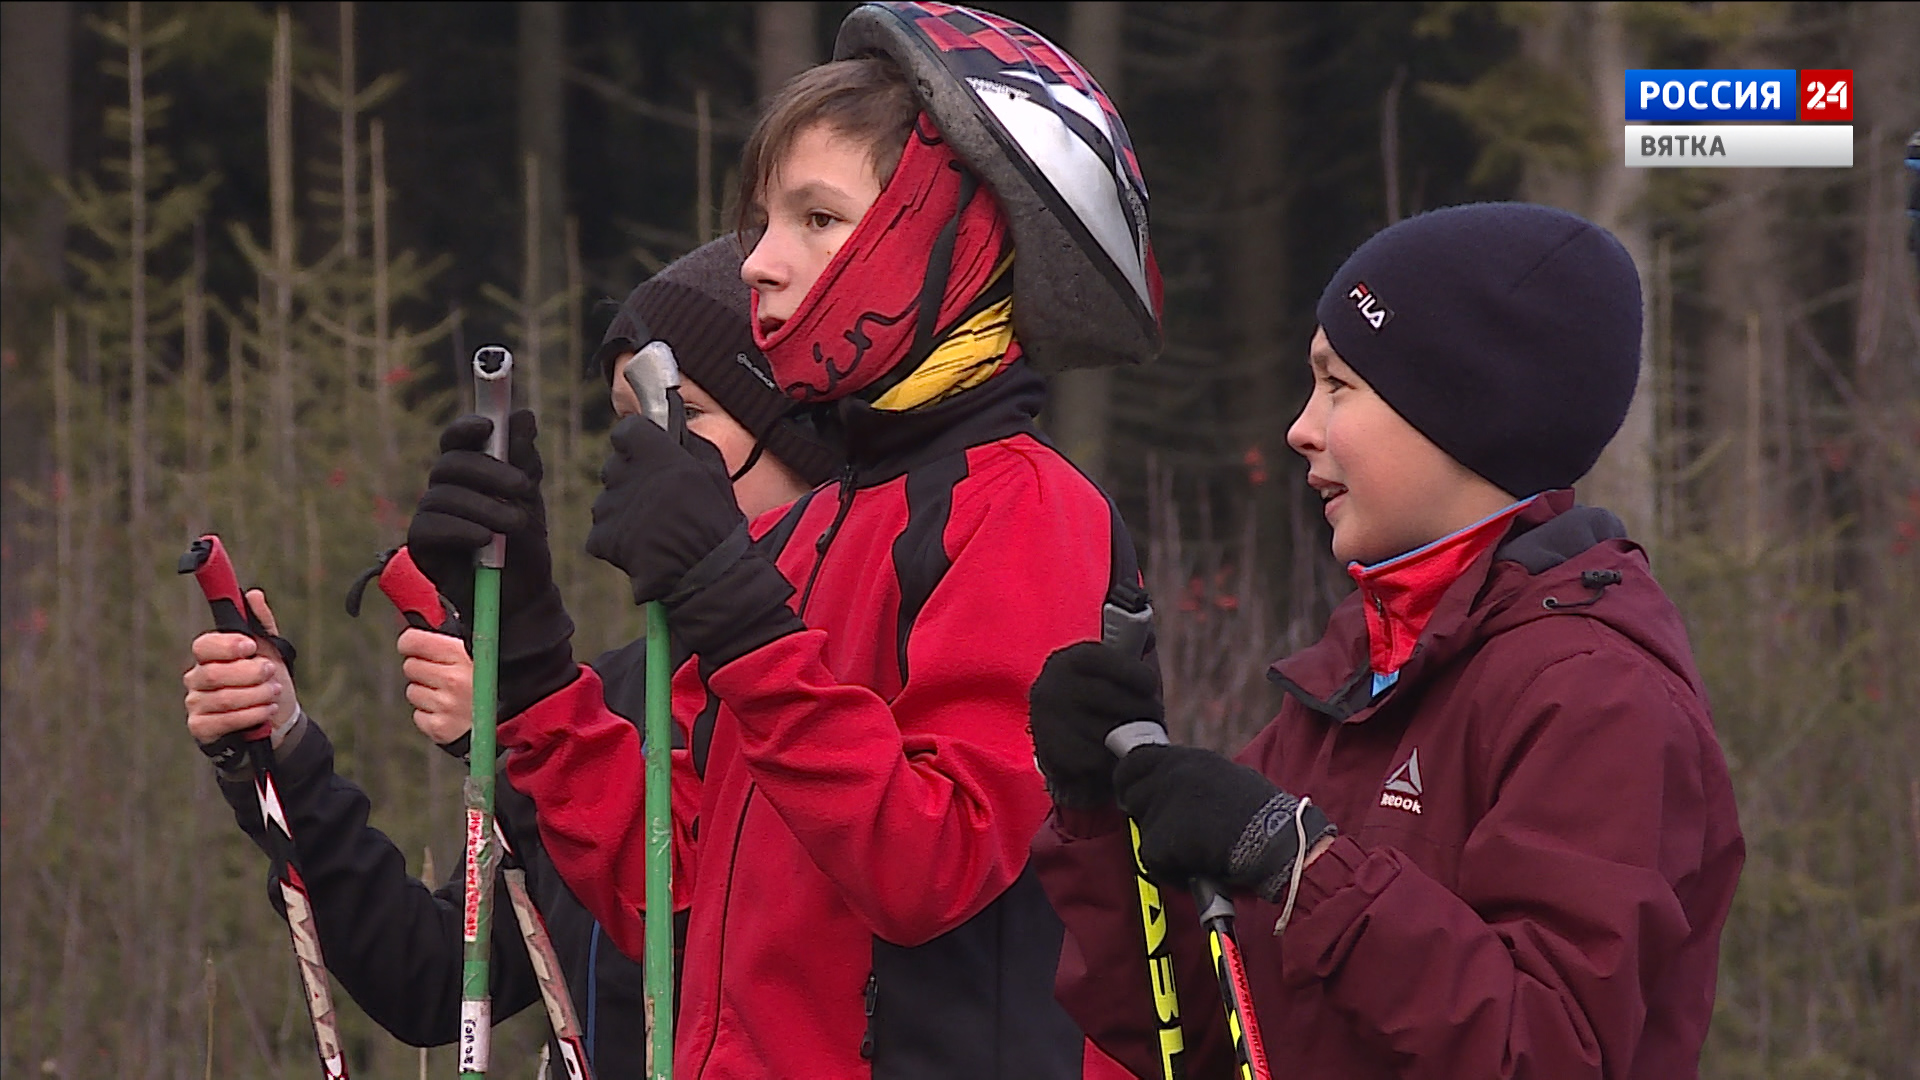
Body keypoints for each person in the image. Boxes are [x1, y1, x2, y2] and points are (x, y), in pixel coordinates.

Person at [399, 4, 1163, 1076]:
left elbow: (928, 864)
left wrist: (733, 605)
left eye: (817, 218)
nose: (756, 262)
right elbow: (668, 892)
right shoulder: (812, 532)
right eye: (760, 221)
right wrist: (527, 654)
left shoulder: (1027, 509)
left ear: (958, 239)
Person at [1024, 202, 1747, 1079]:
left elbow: (1551, 1052)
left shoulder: (1596, 696)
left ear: (1463, 408)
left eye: (1340, 385)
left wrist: (1302, 867)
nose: (1302, 427)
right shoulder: (1357, 683)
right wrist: (1102, 816)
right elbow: (1198, 1040)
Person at [179, 237, 839, 1078]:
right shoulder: (608, 699)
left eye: (686, 416)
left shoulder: (864, 691)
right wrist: (285, 754)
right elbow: (436, 981)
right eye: (629, 426)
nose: (652, 461)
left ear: (807, 441)